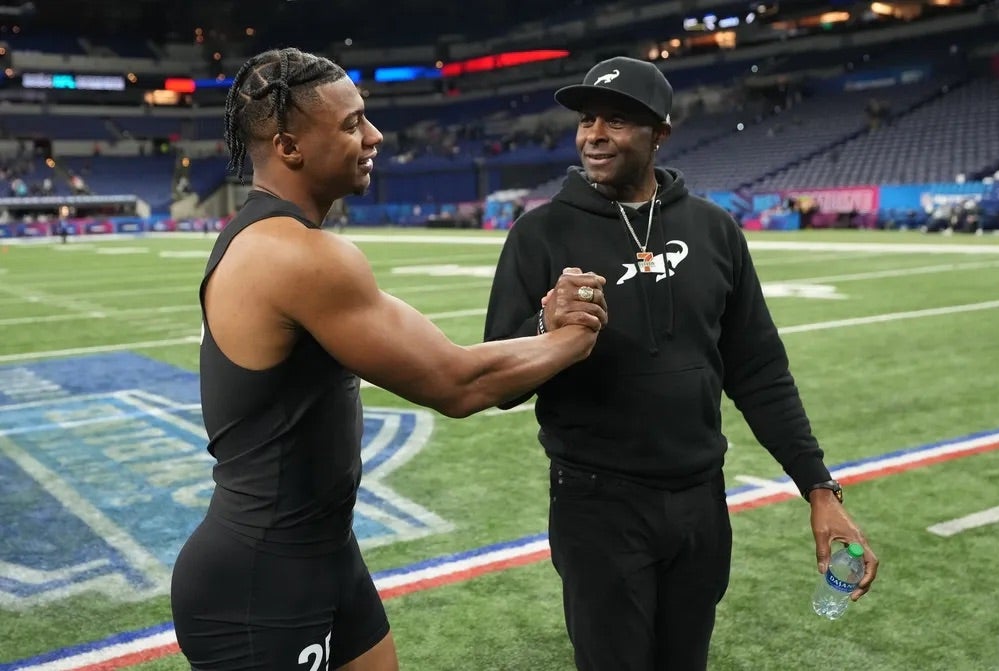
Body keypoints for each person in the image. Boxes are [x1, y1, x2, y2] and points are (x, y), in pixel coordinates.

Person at [170, 48, 609, 671]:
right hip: (261, 582)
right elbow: (457, 384)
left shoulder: (268, 237)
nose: (374, 136)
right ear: (290, 147)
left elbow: (447, 357)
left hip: (323, 555)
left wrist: (543, 328)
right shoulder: (296, 254)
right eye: (351, 125)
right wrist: (571, 340)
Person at [483, 56, 879, 671]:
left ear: (660, 133)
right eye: (588, 120)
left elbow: (759, 370)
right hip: (597, 504)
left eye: (617, 120)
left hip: (700, 502)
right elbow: (499, 380)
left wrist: (819, 489)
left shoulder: (715, 231)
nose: (594, 134)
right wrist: (546, 326)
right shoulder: (539, 235)